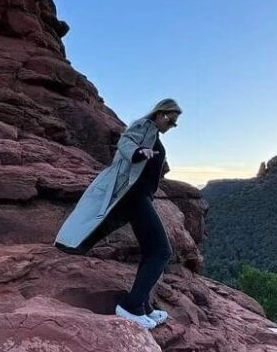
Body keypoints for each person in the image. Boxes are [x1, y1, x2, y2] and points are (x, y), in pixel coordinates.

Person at [55, 99, 182, 329]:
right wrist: (138, 152)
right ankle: (130, 307)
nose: (172, 127)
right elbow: (125, 142)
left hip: (139, 197)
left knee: (151, 250)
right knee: (161, 251)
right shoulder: (144, 126)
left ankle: (142, 306)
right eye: (172, 122)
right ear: (162, 115)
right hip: (132, 195)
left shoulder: (154, 134)